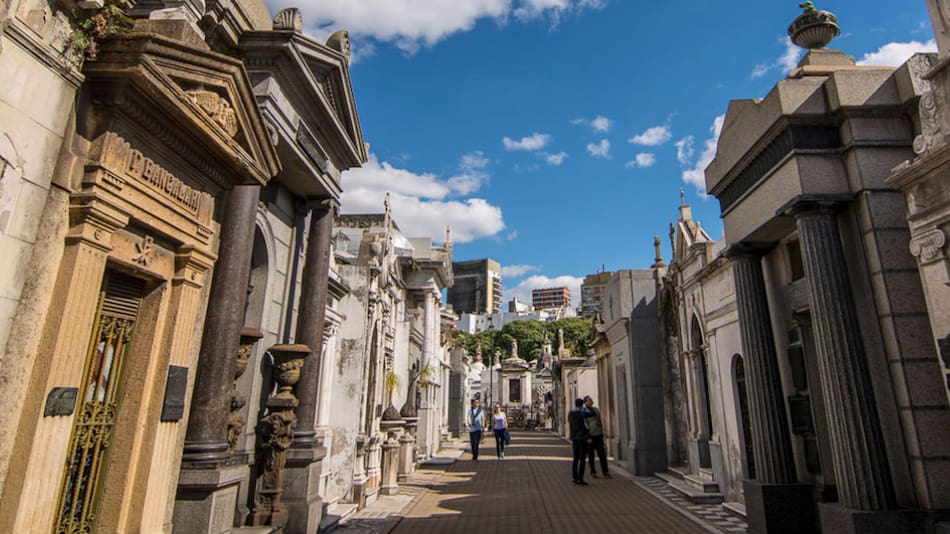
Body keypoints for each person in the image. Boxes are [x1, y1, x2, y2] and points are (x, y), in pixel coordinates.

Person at [583, 396, 610, 478]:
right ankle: (593, 471)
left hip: (598, 434)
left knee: (602, 454)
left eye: (591, 399)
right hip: (590, 436)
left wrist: (602, 432)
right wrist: (587, 437)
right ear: (585, 402)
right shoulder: (584, 411)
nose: (591, 401)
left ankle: (605, 471)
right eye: (589, 400)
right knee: (591, 455)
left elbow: (600, 421)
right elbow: (585, 425)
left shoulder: (596, 409)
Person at [568, 397, 590, 485]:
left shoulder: (570, 414)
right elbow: (585, 426)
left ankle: (574, 477)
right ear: (581, 405)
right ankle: (580, 478)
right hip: (582, 438)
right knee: (582, 459)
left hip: (574, 438)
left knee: (575, 458)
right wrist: (588, 436)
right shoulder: (581, 414)